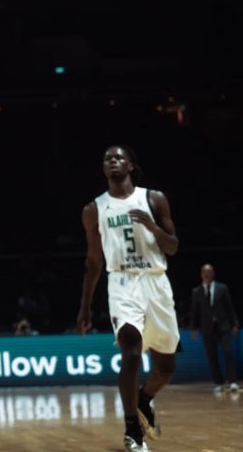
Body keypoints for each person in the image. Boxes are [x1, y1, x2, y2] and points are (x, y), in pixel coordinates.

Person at [78, 145, 180, 452]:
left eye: (119, 157)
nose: (112, 161)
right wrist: (85, 307)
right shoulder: (94, 209)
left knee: (166, 368)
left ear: (131, 165)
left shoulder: (154, 199)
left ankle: (144, 399)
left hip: (155, 281)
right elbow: (93, 261)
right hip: (121, 282)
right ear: (103, 168)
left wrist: (151, 227)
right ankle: (132, 431)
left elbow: (173, 247)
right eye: (107, 158)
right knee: (131, 349)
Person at [189, 263, 239, 394]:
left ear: (213, 273)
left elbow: (229, 307)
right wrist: (193, 327)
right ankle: (218, 383)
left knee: (228, 352)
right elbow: (194, 311)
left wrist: (234, 323)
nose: (207, 274)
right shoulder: (196, 291)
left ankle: (232, 381)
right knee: (212, 356)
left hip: (223, 326)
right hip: (207, 328)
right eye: (204, 272)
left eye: (209, 272)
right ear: (201, 274)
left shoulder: (222, 288)